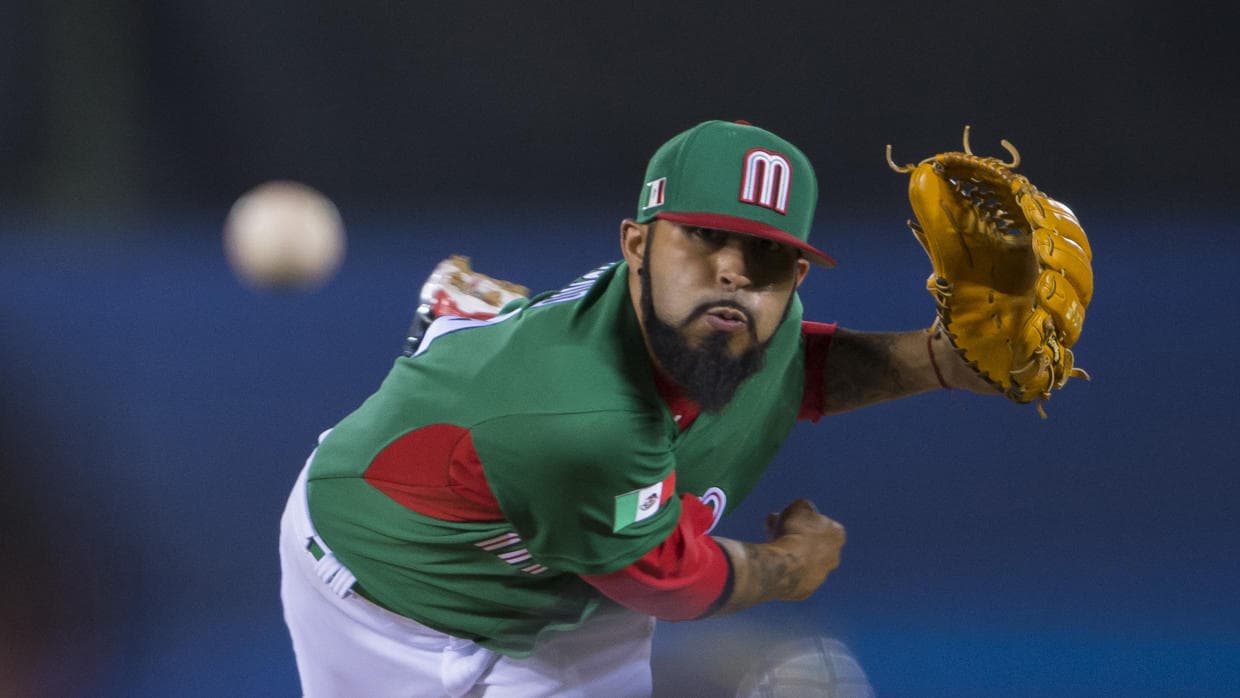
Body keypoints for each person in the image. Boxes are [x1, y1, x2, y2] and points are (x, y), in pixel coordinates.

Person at [279, 119, 996, 697]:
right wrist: (787, 565)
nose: (736, 271)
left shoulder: (740, 316)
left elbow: (784, 370)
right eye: (705, 237)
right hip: (392, 602)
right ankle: (468, 338)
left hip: (568, 575)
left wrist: (937, 360)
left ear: (796, 275)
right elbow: (669, 579)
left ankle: (468, 327)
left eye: (766, 254)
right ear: (636, 244)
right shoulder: (581, 424)